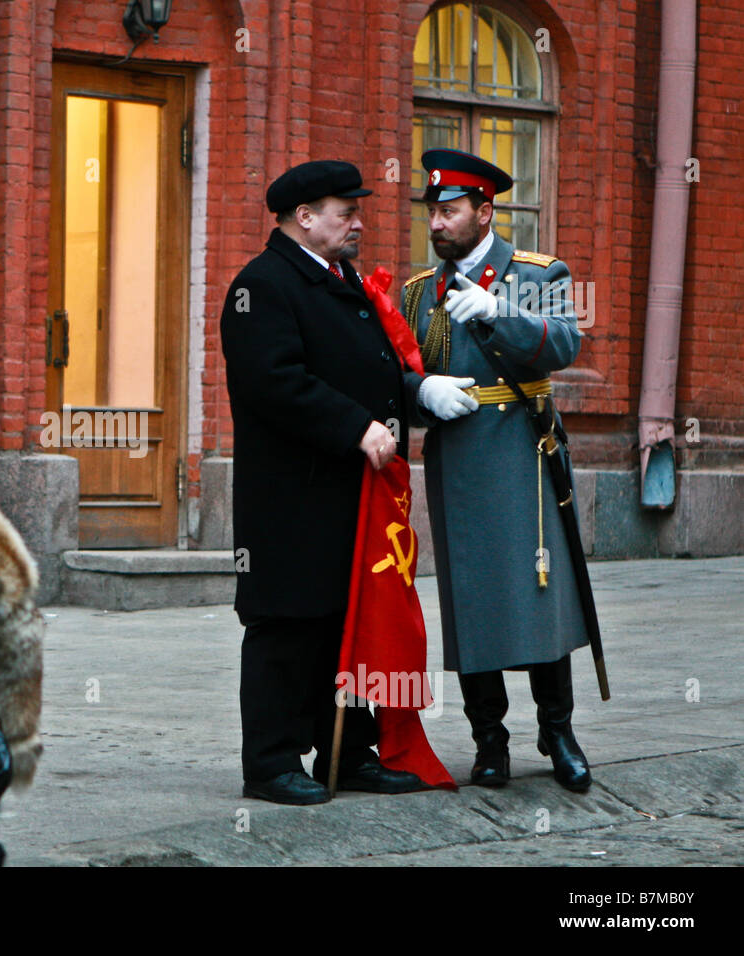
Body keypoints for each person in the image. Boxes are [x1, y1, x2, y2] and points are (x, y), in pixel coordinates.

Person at [220, 160, 477, 805]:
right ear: (303, 218)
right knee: (288, 625)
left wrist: (415, 392)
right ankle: (271, 763)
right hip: (292, 496)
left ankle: (348, 753)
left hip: (350, 493)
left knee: (347, 621)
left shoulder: (341, 278)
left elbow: (373, 363)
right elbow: (275, 382)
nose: (358, 222)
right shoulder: (263, 285)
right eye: (345, 212)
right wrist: (356, 426)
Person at [402, 147, 593, 792]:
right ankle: (490, 739)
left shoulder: (539, 273)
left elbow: (564, 343)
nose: (437, 224)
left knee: (541, 598)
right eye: (433, 212)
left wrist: (499, 314)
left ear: (486, 212)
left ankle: (558, 730)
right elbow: (396, 369)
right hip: (457, 460)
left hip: (522, 452)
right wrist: (419, 392)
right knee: (473, 601)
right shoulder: (417, 293)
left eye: (450, 211)